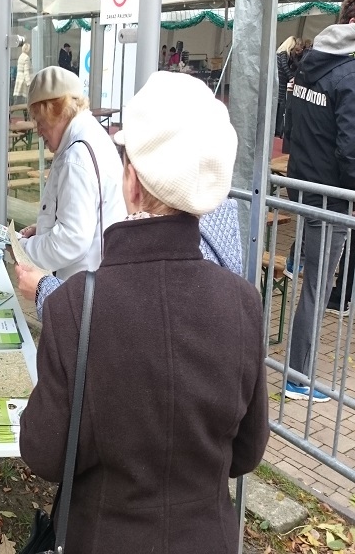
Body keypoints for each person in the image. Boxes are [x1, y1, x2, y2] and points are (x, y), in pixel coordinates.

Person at [19, 71, 269, 553]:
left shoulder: (77, 305)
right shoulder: (243, 303)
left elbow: (44, 453)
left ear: (130, 182)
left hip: (101, 536)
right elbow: (246, 450)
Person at [285, 0, 355, 401]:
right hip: (330, 199)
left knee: (312, 281)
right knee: (317, 286)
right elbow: (350, 149)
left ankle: (295, 370)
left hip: (303, 187)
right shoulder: (347, 75)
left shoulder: (309, 63)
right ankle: (296, 376)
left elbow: (292, 129)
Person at [17, 197, 244, 320]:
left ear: (133, 182)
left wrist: (42, 289)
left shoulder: (136, 270)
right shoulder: (243, 299)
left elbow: (104, 315)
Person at [18, 66, 126, 280]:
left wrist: (23, 248)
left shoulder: (76, 156)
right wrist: (43, 229)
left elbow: (71, 240)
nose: (39, 132)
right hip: (98, 276)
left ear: (56, 112)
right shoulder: (89, 134)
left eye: (40, 122)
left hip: (86, 284)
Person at [275, 36, 299, 137]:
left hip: (279, 81)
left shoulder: (279, 53)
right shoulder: (284, 54)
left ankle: (275, 128)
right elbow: (285, 66)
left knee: (278, 105)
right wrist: (291, 77)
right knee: (282, 105)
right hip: (281, 82)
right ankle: (278, 130)